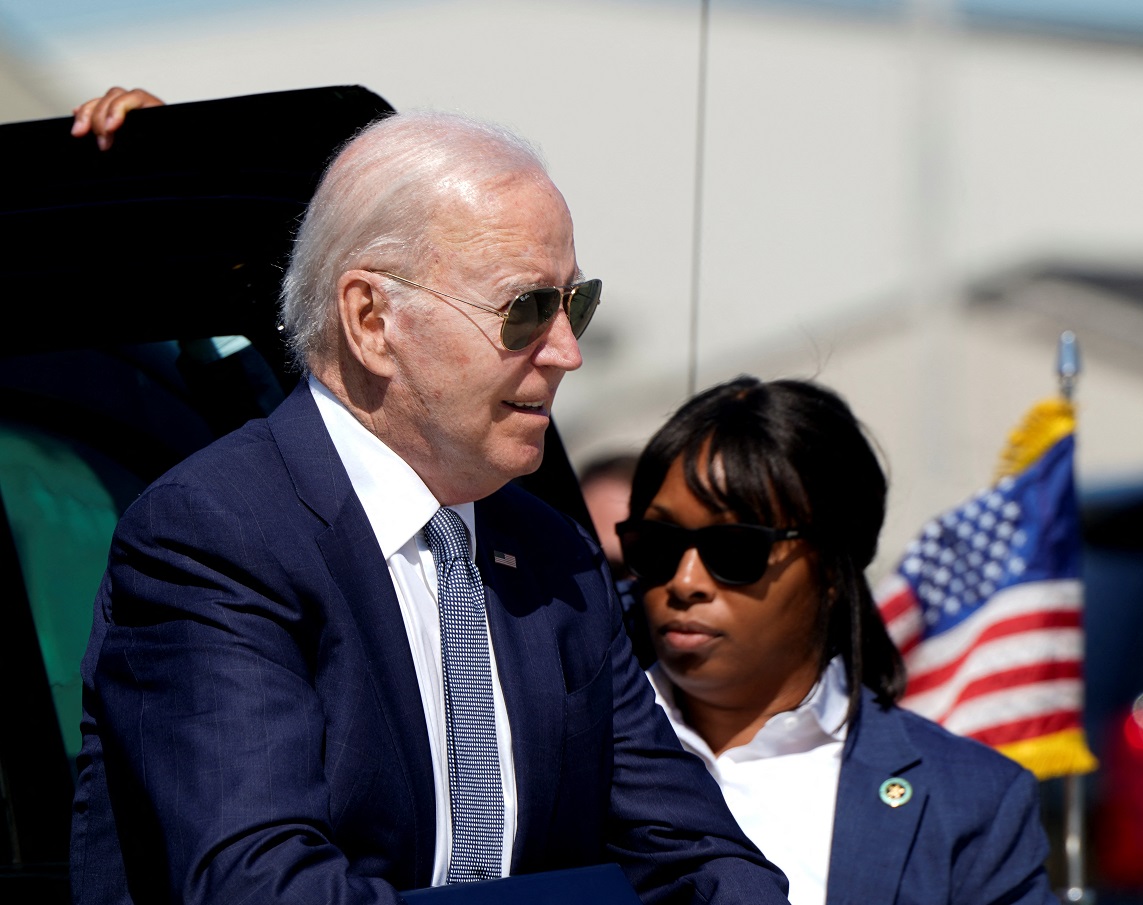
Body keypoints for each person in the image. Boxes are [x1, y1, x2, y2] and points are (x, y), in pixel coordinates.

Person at [69, 94, 790, 905]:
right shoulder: (216, 534)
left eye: (574, 304)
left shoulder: (554, 557)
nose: (567, 352)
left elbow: (697, 853)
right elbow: (258, 885)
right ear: (372, 320)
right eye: (525, 309)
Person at [617, 376, 1058, 905]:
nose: (685, 582)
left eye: (735, 549)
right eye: (658, 545)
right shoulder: (559, 745)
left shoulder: (972, 801)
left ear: (832, 564)